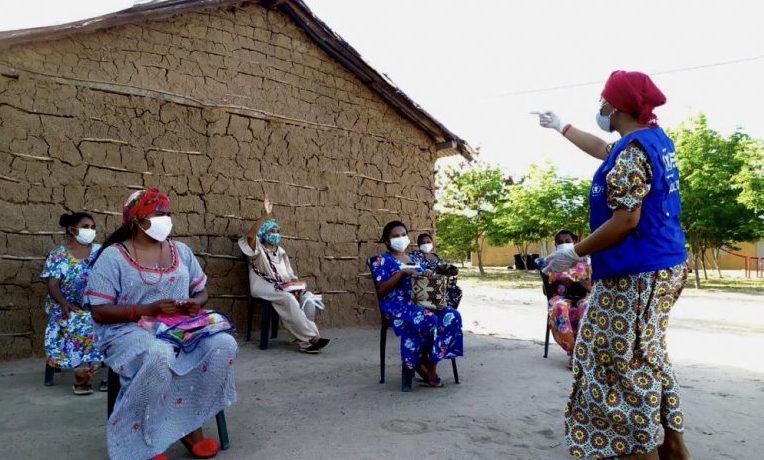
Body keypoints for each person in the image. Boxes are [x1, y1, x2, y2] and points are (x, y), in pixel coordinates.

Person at [536, 71, 691, 459]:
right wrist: (563, 127)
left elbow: (626, 219)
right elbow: (606, 149)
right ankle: (673, 446)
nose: (600, 106)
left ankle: (638, 449)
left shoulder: (632, 154)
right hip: (662, 268)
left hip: (635, 274)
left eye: (603, 99)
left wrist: (576, 252)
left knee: (610, 361)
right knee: (647, 355)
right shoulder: (650, 141)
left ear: (617, 105)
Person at [85, 188, 237, 460]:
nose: (165, 219)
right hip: (126, 329)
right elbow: (99, 311)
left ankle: (190, 426)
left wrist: (196, 303)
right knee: (160, 354)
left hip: (177, 326)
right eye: (158, 214)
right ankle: (145, 439)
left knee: (223, 344)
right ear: (136, 219)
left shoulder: (181, 250)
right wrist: (146, 310)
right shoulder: (113, 257)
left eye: (168, 214)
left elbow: (201, 290)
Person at [370, 221, 463, 387]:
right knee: (427, 318)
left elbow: (422, 282)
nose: (400, 238)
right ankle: (425, 368)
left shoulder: (413, 258)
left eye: (403, 235)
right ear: (386, 240)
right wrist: (401, 272)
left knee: (452, 315)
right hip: (396, 305)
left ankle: (427, 363)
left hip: (421, 301)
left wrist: (427, 274)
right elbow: (382, 290)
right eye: (395, 236)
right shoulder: (381, 260)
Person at [239, 196, 330, 354]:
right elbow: (250, 237)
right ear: (264, 234)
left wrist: (297, 287)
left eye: (277, 230)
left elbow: (290, 275)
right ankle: (311, 338)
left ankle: (304, 342)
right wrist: (265, 216)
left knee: (309, 298)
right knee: (287, 298)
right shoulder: (258, 251)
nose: (276, 233)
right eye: (271, 230)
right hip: (264, 287)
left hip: (283, 287)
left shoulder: (281, 253)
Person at [41, 212, 104, 395]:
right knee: (82, 320)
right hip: (63, 304)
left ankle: (106, 372)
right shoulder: (59, 254)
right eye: (86, 227)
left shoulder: (100, 252)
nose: (90, 231)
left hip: (94, 303)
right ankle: (83, 371)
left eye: (93, 227)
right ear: (71, 229)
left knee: (110, 321)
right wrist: (63, 303)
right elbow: (52, 285)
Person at [544, 229, 592, 369]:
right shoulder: (553, 261)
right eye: (560, 242)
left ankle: (584, 349)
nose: (564, 244)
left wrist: (581, 283)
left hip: (583, 295)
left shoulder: (586, 261)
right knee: (560, 307)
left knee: (587, 306)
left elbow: (593, 287)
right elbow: (547, 290)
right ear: (556, 245)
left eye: (567, 241)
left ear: (575, 242)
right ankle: (573, 351)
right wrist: (559, 282)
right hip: (562, 296)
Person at [408, 233, 463, 308]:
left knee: (457, 291)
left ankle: (449, 311)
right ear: (419, 245)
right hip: (426, 284)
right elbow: (413, 266)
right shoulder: (415, 255)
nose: (426, 244)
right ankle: (443, 310)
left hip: (441, 283)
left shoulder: (437, 257)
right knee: (442, 295)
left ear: (432, 243)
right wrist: (424, 271)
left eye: (428, 242)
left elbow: (443, 269)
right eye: (423, 243)